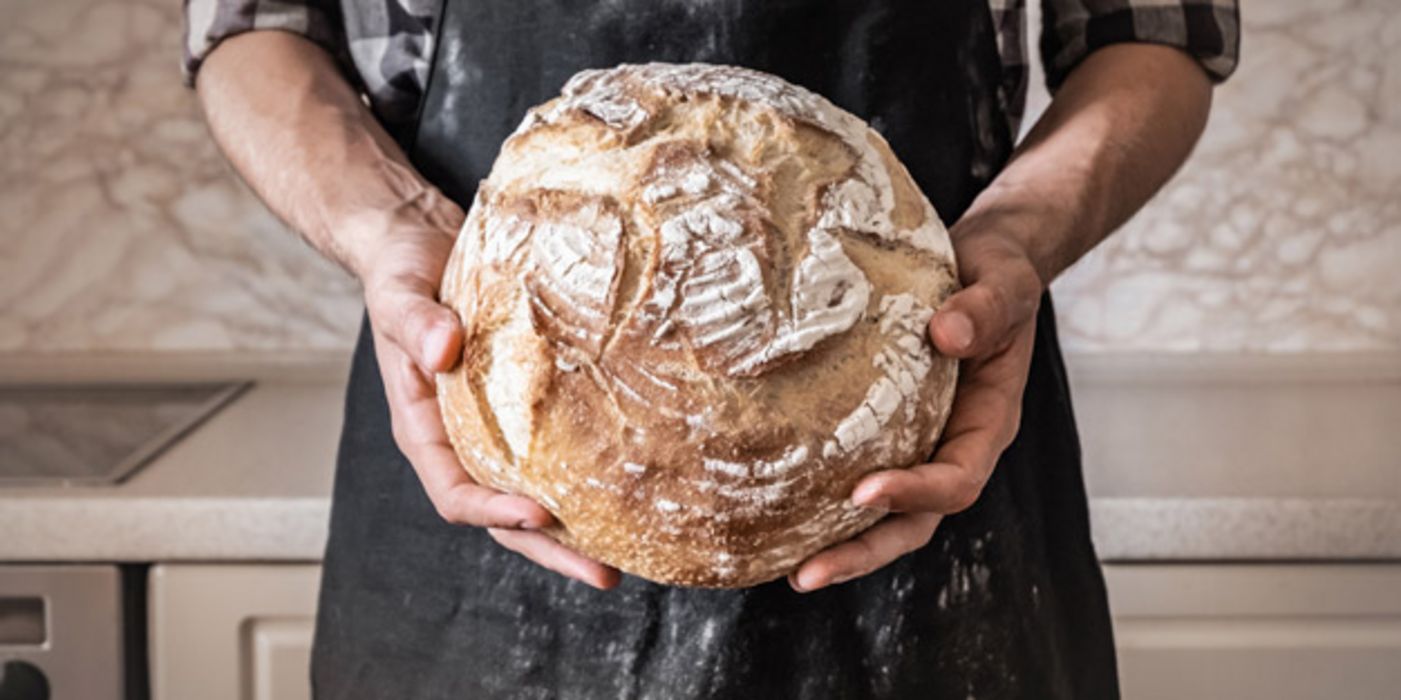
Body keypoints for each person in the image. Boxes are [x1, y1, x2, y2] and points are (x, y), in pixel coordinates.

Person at [184, 1, 1238, 697]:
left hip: (934, 453)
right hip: (478, 441)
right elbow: (252, 27)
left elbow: (1154, 30)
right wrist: (390, 226)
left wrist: (1012, 241)